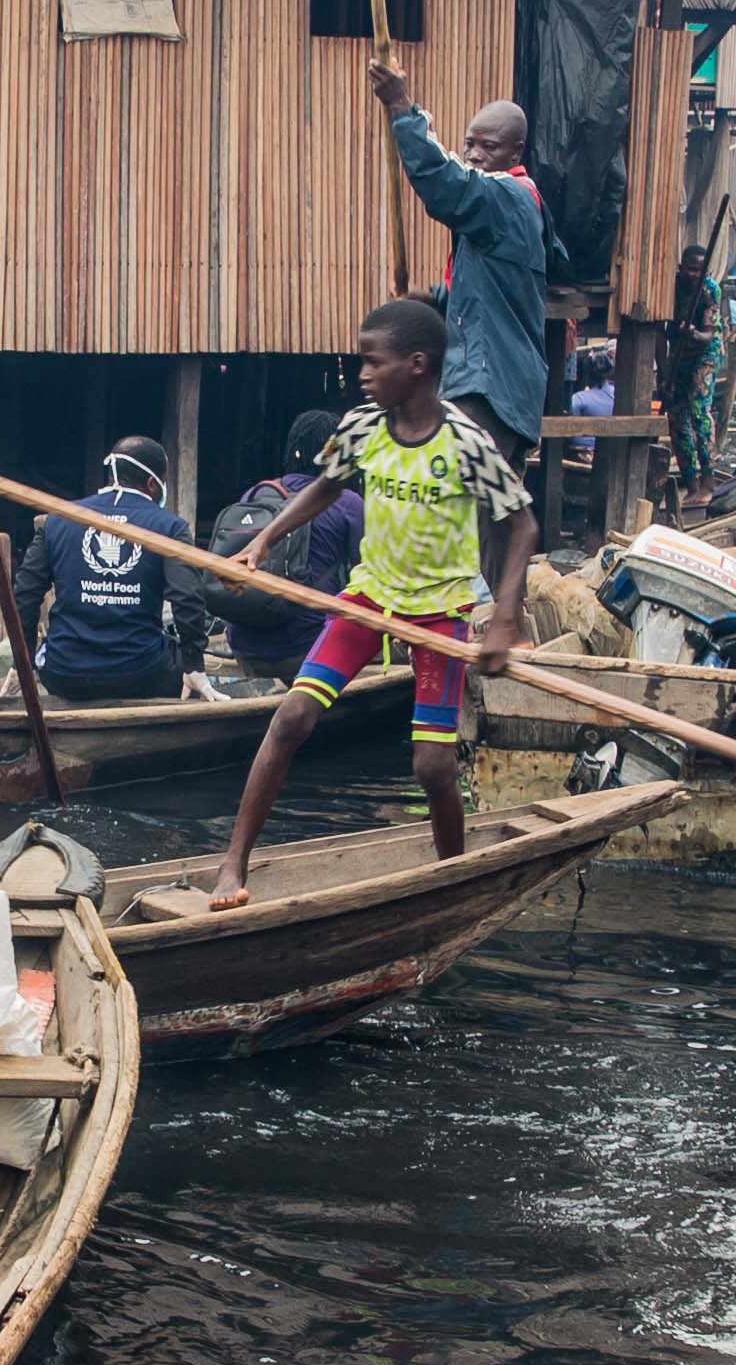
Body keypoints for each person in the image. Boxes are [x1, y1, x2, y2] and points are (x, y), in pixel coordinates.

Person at [208, 293, 532, 906]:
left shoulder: (467, 443)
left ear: (416, 364)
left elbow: (522, 526)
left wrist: (504, 620)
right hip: (371, 598)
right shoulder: (360, 427)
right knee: (292, 719)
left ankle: (450, 880)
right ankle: (232, 866)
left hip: (440, 608)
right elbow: (325, 489)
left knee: (432, 769)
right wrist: (263, 543)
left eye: (371, 361)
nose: (360, 374)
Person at [370, 54, 549, 464]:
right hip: (493, 381)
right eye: (469, 144)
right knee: (482, 513)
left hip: (489, 383)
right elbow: (486, 299)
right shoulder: (500, 212)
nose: (474, 155)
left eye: (489, 147)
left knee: (468, 506)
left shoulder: (508, 198)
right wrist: (433, 299)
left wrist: (401, 107)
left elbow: (444, 183)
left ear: (515, 152)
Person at [193, 410, 359, 692]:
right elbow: (368, 571)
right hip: (308, 649)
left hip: (243, 646)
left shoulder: (256, 494)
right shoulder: (348, 503)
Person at [24, 439, 187, 704]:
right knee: (176, 660)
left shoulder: (58, 520)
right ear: (152, 484)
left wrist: (23, 663)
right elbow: (187, 598)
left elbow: (25, 594)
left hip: (62, 674)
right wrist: (195, 667)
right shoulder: (170, 527)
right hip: (141, 676)